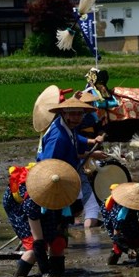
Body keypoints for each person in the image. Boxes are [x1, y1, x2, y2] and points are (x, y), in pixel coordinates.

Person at [37, 95, 105, 228]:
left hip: (67, 173)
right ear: (64, 114)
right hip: (54, 178)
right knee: (59, 214)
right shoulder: (58, 137)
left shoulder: (67, 126)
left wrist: (90, 141)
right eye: (73, 114)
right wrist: (91, 154)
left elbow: (74, 139)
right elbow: (49, 164)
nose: (77, 117)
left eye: (79, 114)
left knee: (74, 208)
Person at [14, 160, 81, 277]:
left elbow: (69, 217)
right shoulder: (32, 203)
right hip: (22, 211)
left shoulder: (69, 193)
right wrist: (45, 272)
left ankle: (57, 274)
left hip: (51, 213)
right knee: (33, 251)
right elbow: (38, 240)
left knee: (58, 243)